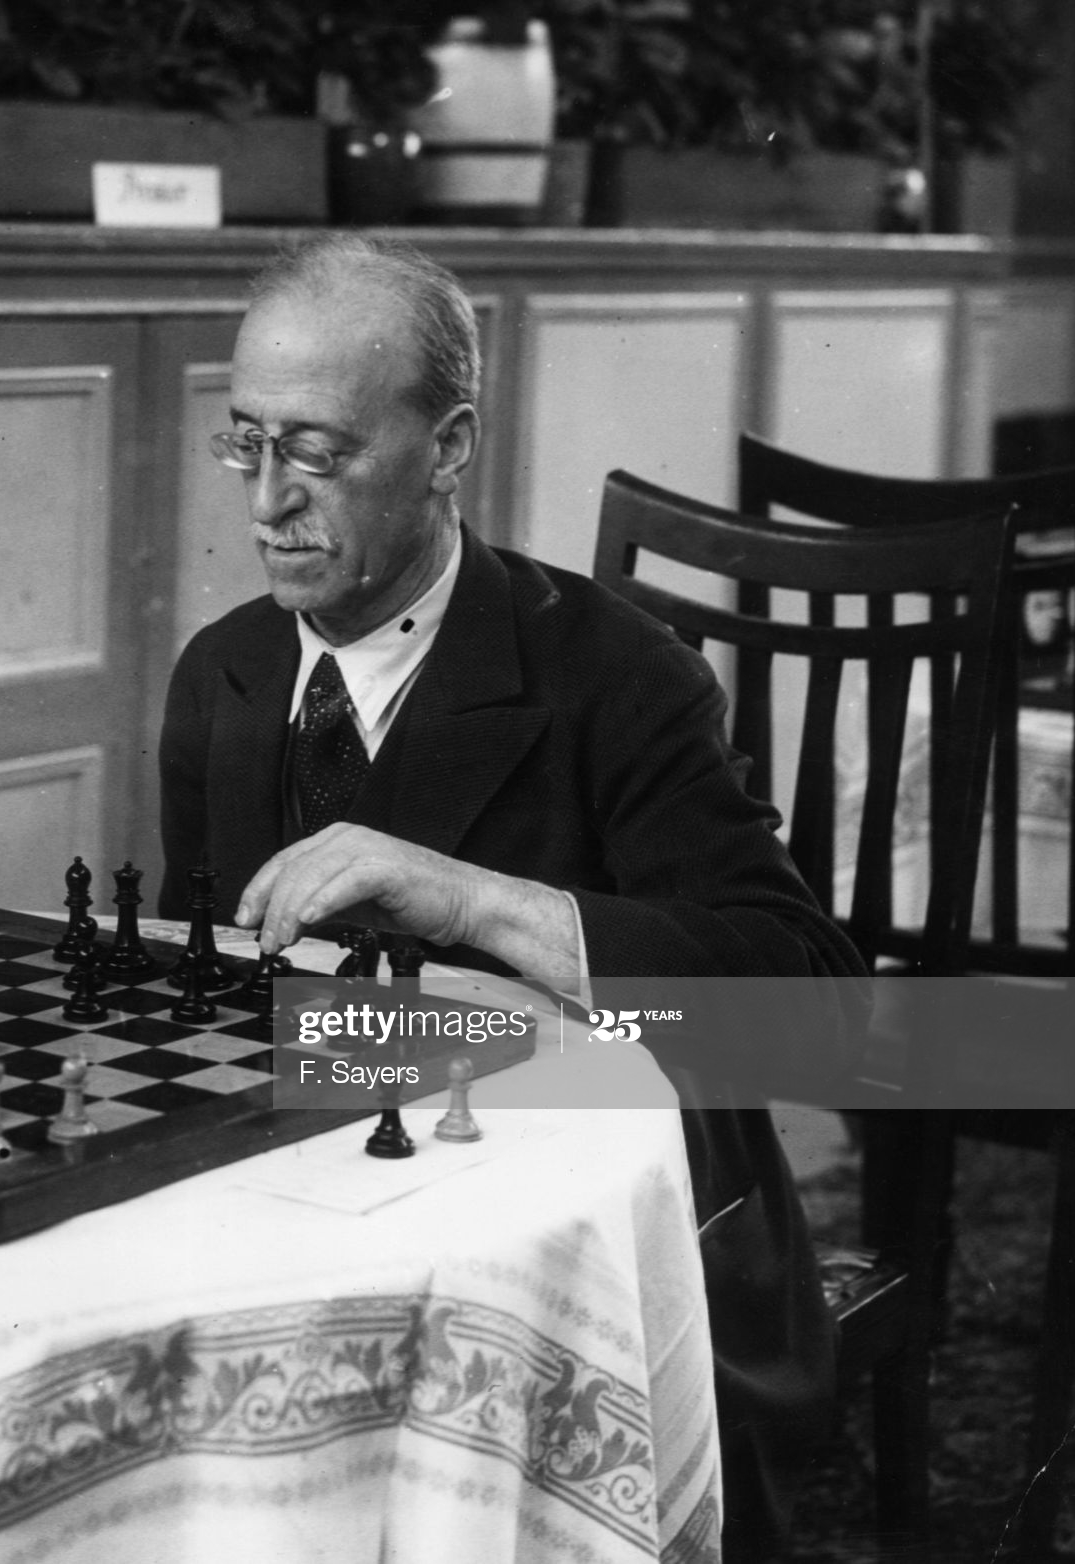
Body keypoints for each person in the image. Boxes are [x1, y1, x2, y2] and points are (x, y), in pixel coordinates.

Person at [157, 234, 868, 1564]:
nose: (265, 500)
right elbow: (222, 1003)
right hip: (326, 1243)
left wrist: (469, 898)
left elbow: (813, 1008)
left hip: (600, 1281)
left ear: (449, 445)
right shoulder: (224, 674)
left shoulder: (619, 674)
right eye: (242, 442)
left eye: (316, 453)